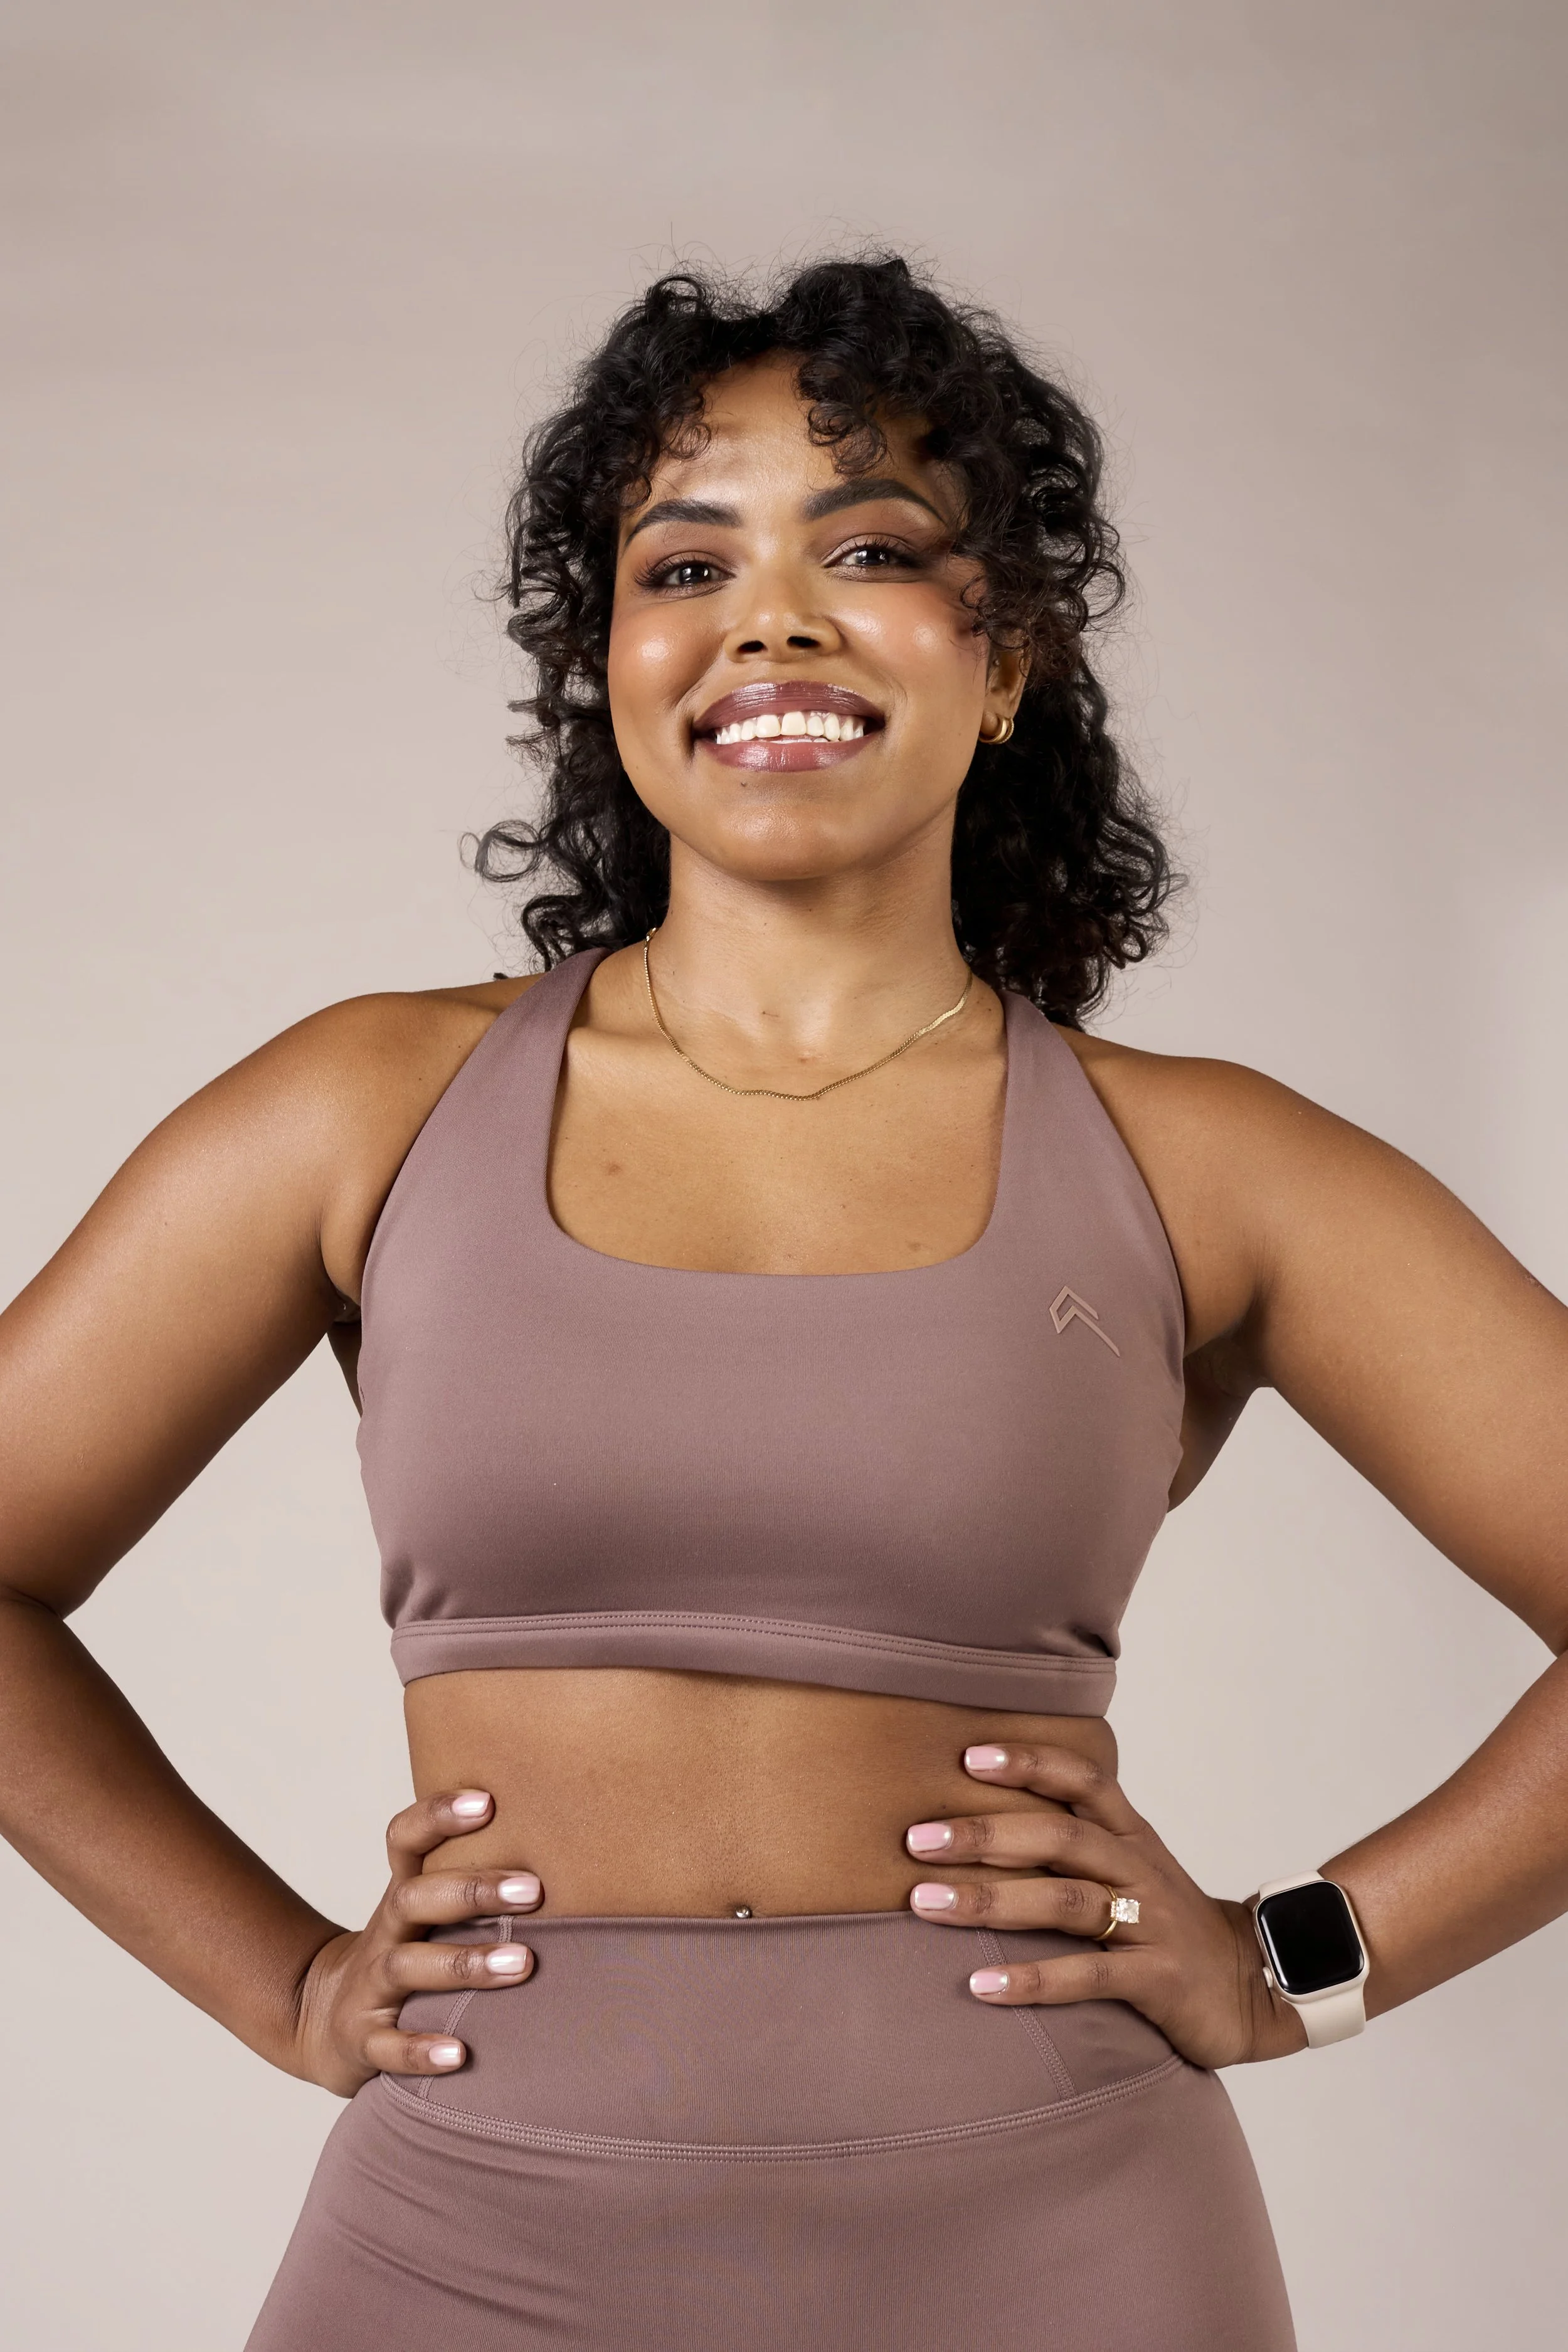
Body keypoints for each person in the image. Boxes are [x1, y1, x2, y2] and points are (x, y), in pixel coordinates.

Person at [1, 255, 1564, 2352]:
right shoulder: (365, 1108)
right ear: (612, 659)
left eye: (874, 548)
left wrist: (1300, 1955)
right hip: (470, 2228)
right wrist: (279, 1982)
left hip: (1067, 2237)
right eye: (686, 558)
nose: (776, 615)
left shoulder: (1205, 1163)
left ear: (1001, 663)